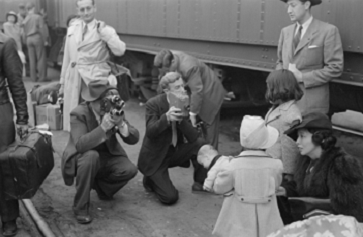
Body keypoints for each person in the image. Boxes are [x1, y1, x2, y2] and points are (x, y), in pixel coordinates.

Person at [61, 80, 138, 224]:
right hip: (83, 156)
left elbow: (134, 138)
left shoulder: (112, 108)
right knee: (91, 157)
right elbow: (80, 145)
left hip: (106, 155)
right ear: (90, 101)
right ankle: (80, 207)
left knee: (129, 169)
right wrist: (102, 128)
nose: (105, 107)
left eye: (107, 102)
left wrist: (121, 124)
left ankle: (101, 188)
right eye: (101, 103)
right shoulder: (78, 113)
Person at [277, 112, 363, 223]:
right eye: (298, 136)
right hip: (312, 226)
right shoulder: (306, 161)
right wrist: (285, 190)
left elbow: (349, 207)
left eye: (302, 136)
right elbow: (302, 189)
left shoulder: (341, 164)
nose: (297, 141)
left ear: (320, 138)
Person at [138, 72, 207, 205]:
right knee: (170, 198)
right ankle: (150, 179)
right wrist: (166, 118)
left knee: (201, 144)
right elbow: (151, 132)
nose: (182, 90)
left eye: (182, 86)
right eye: (177, 88)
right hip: (155, 156)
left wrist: (181, 120)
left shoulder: (183, 101)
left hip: (172, 151)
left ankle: (200, 183)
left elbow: (193, 137)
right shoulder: (153, 104)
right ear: (166, 90)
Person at [210, 115, 283, 237]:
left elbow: (218, 188)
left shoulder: (232, 165)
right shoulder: (276, 165)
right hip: (268, 223)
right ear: (266, 142)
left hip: (238, 224)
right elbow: (276, 185)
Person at [59, 0, 126, 131]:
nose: (86, 12)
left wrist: (104, 33)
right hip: (74, 79)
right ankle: (79, 147)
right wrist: (62, 83)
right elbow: (67, 58)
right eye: (82, 9)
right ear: (77, 11)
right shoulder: (72, 30)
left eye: (88, 8)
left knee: (98, 120)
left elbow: (120, 50)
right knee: (76, 119)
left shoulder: (104, 29)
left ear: (94, 8)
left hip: (95, 81)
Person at [276, 0, 343, 115]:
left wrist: (302, 77)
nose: (289, 11)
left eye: (293, 5)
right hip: (286, 104)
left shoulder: (328, 31)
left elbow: (335, 68)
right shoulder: (285, 32)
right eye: (288, 6)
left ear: (306, 5)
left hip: (312, 109)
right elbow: (280, 61)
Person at [154, 49, 227, 149]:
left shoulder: (189, 67)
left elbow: (197, 91)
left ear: (173, 62)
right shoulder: (168, 56)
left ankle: (212, 159)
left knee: (209, 128)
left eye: (169, 69)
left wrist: (193, 114)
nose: (169, 72)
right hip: (198, 92)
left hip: (210, 93)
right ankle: (201, 153)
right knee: (199, 127)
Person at [0, 32, 29, 237]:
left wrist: (22, 118)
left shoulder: (5, 44)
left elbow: (16, 83)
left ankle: (9, 219)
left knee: (3, 167)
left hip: (0, 110)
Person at [265, 69, 303, 178]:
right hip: (271, 163)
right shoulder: (277, 107)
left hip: (279, 170)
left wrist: (288, 173)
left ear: (278, 89)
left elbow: (290, 147)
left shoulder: (290, 115)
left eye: (269, 88)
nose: (267, 91)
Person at [3, 11, 26, 77]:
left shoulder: (17, 25)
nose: (11, 18)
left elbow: (20, 34)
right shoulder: (6, 25)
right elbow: (12, 34)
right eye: (9, 17)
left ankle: (19, 74)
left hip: (18, 45)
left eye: (12, 17)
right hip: (10, 45)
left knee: (20, 60)